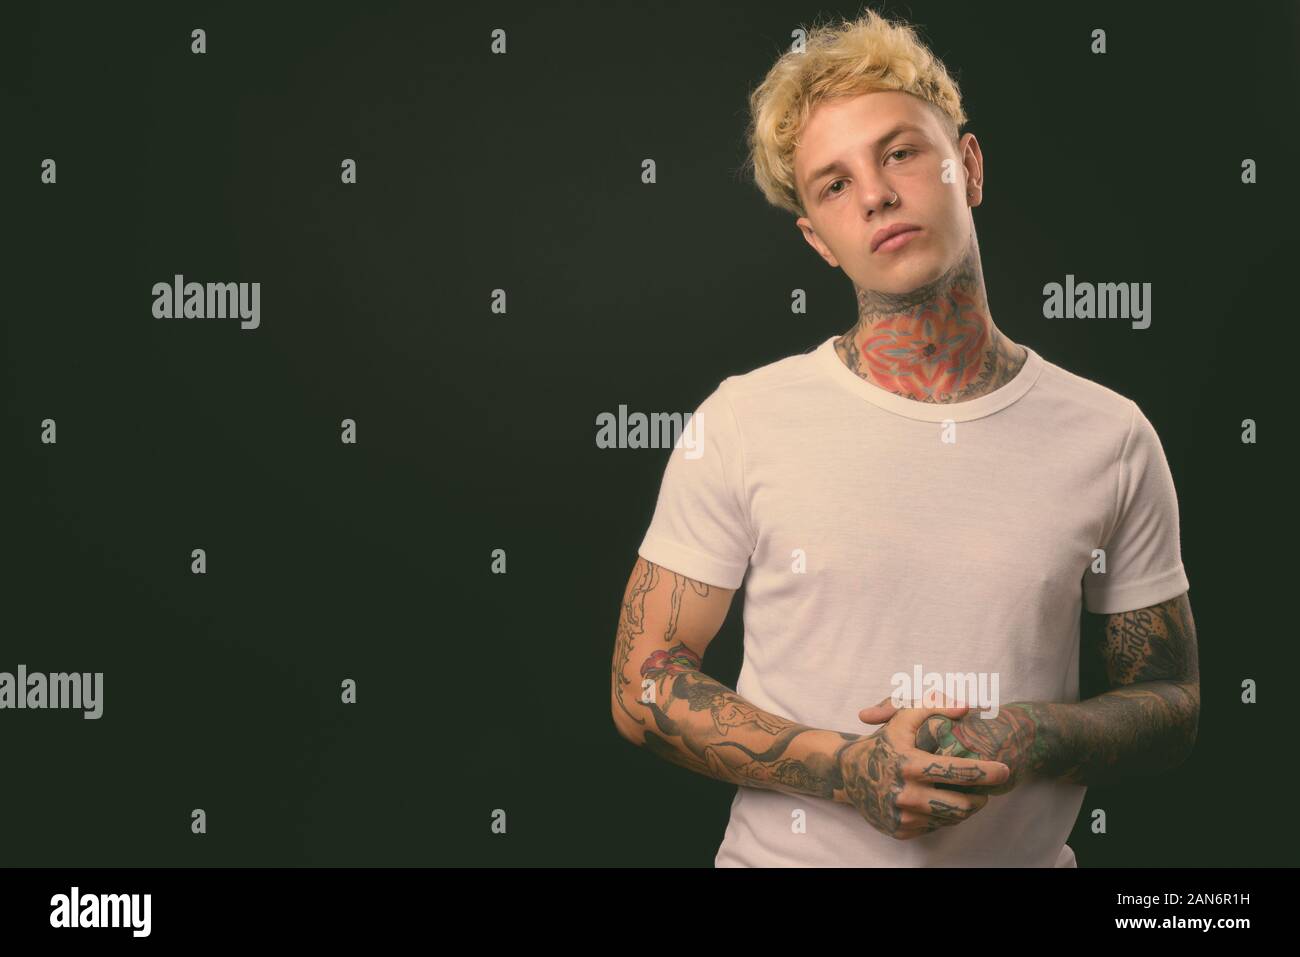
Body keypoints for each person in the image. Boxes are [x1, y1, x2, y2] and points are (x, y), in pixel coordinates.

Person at [609, 9, 1198, 867]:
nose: (877, 194)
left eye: (899, 152)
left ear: (969, 165)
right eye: (834, 184)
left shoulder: (1111, 435)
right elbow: (643, 683)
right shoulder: (742, 420)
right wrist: (849, 769)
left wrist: (1024, 733)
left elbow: (1171, 702)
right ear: (818, 239)